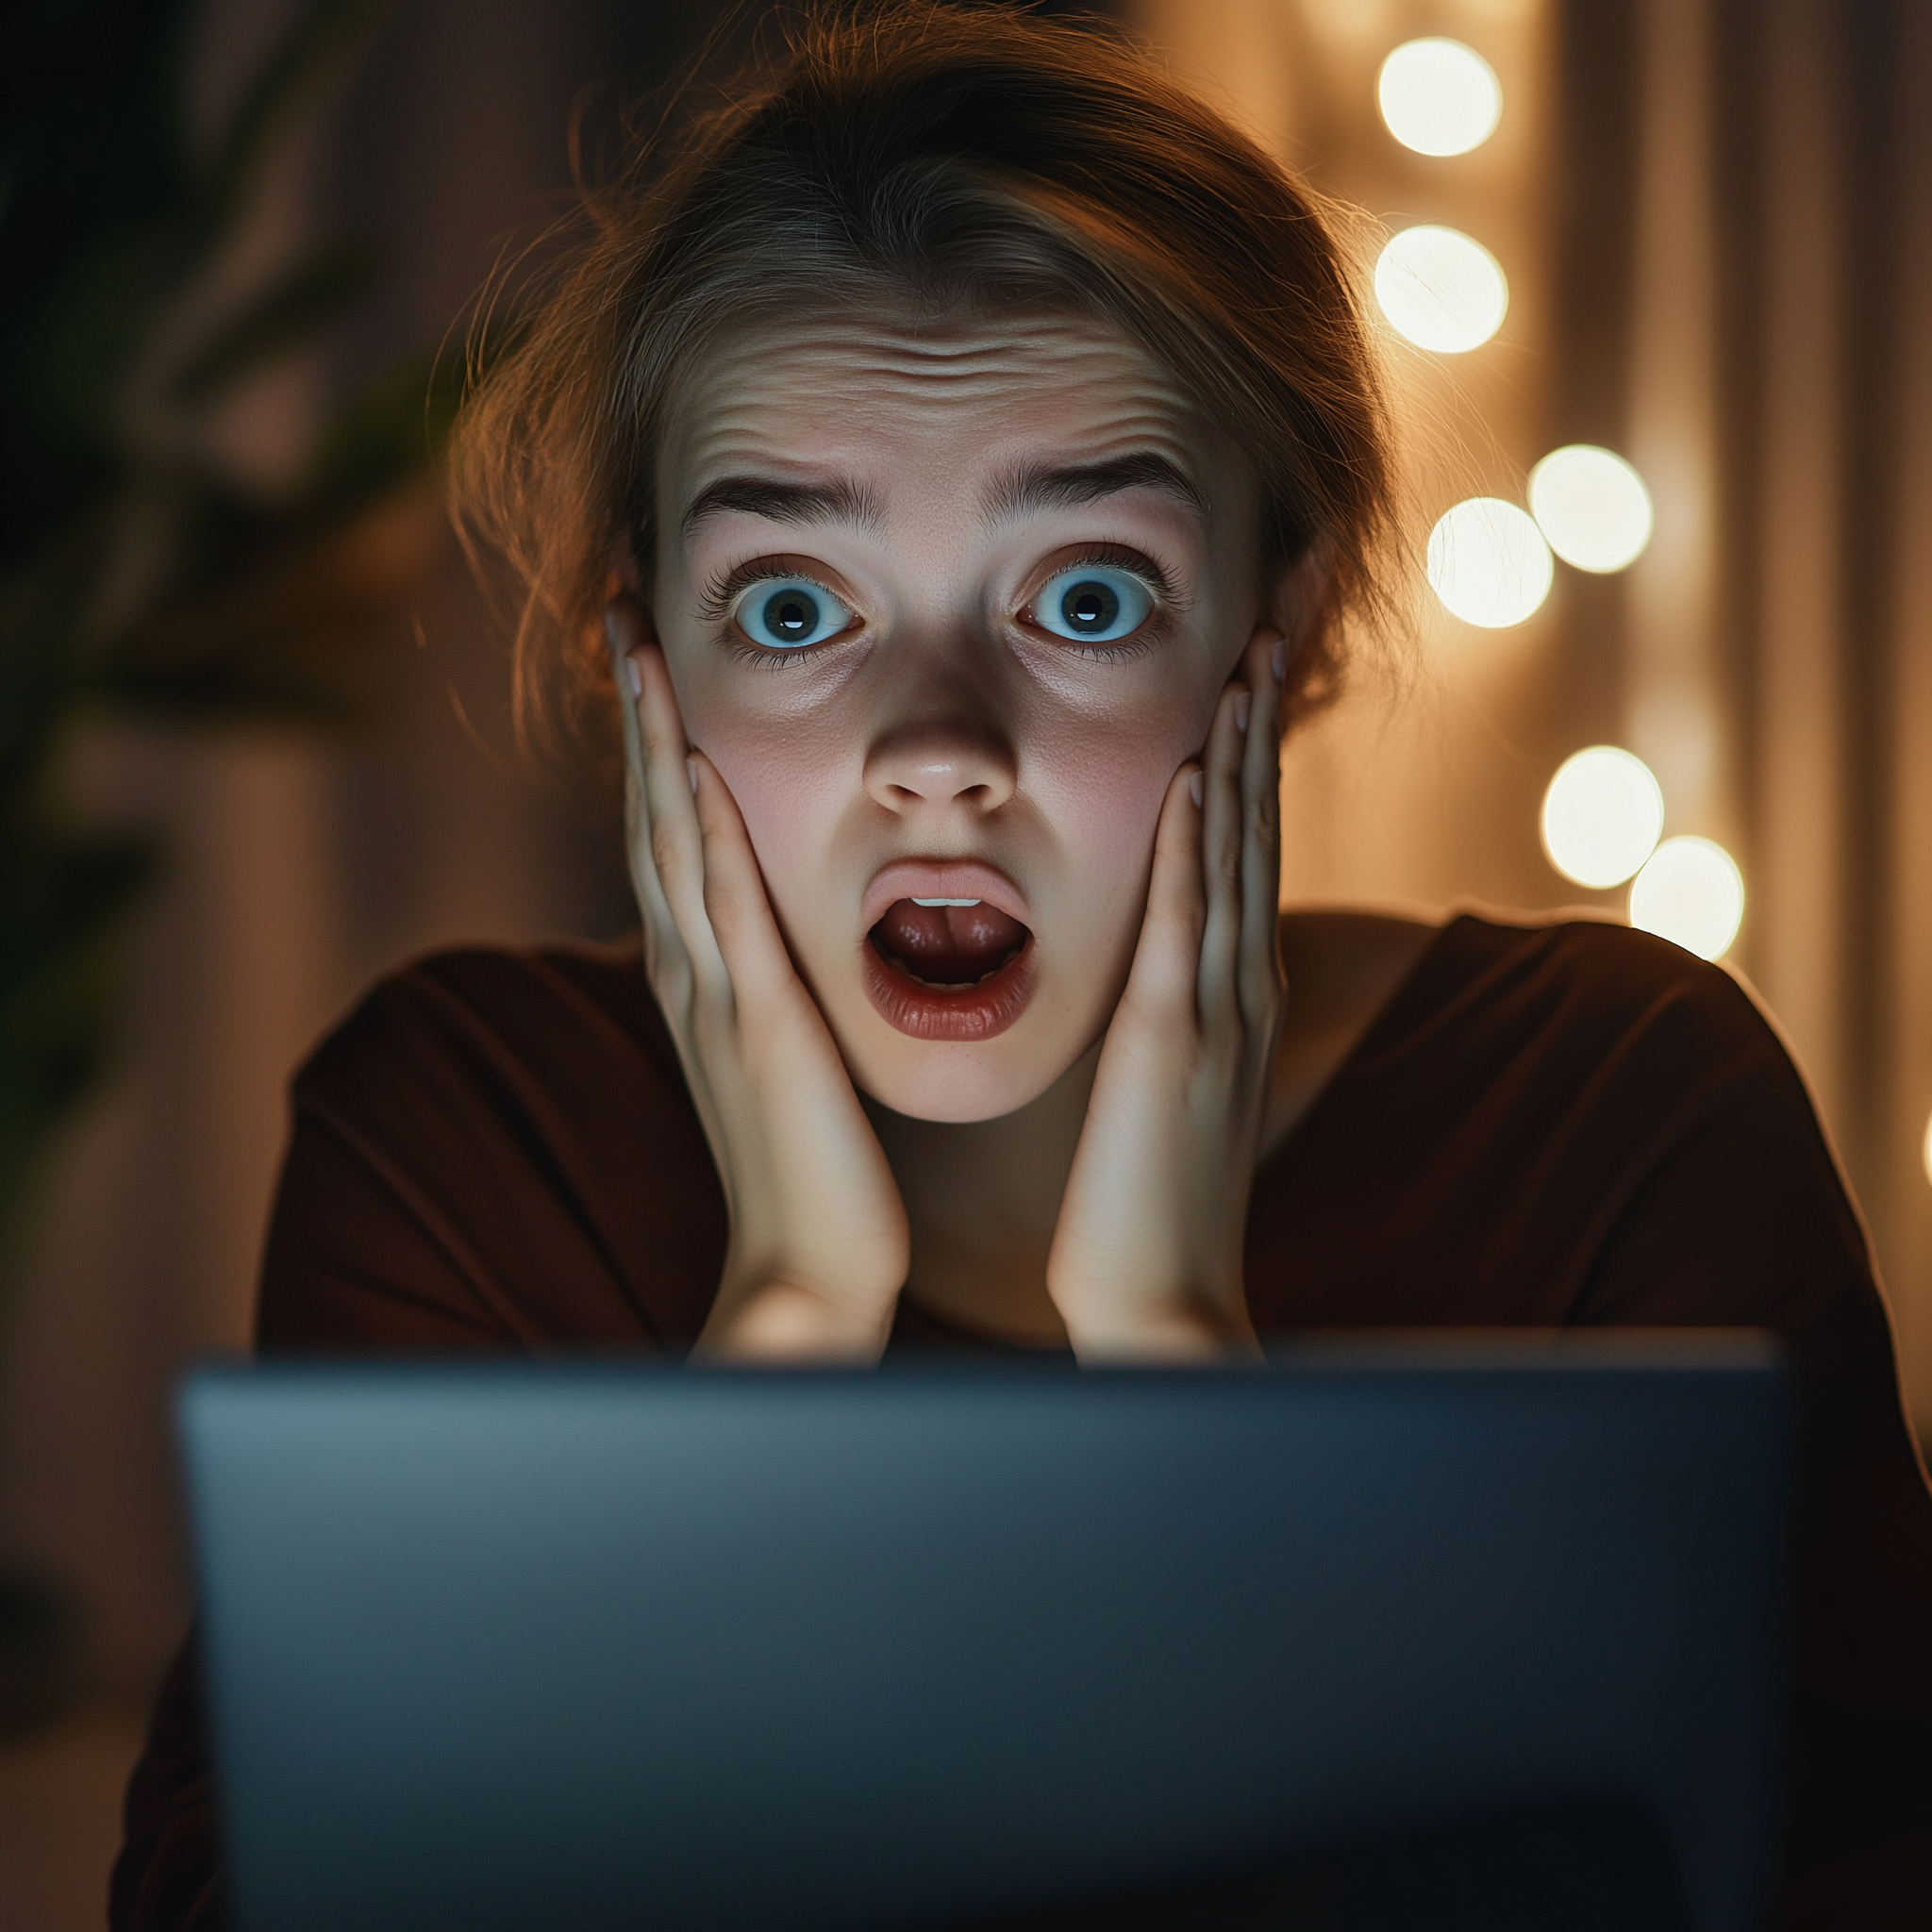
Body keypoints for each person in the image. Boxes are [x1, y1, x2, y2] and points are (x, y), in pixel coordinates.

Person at [113, 6, 1932, 1925]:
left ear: (1281, 617)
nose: (936, 742)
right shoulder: (466, 1138)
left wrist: (1172, 1365)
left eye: (1084, 594)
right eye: (796, 604)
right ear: (639, 656)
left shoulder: (1617, 1111)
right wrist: (792, 1325)